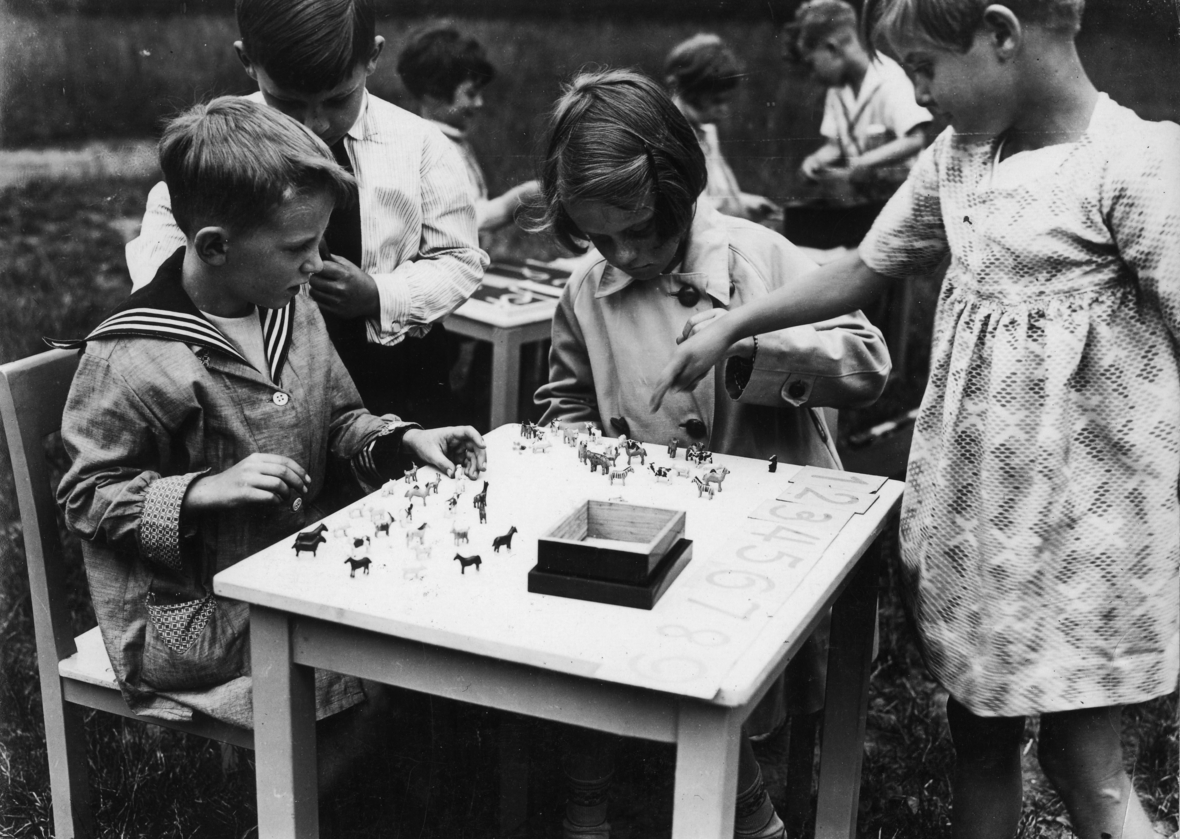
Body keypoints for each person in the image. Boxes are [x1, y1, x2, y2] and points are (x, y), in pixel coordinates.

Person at [654, 0, 1180, 835]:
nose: (918, 93)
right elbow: (865, 267)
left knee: (1084, 762)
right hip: (982, 527)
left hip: (1089, 537)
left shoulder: (1137, 166)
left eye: (926, 70)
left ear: (1002, 35)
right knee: (977, 727)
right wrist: (732, 322)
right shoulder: (959, 158)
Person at [54, 98, 487, 790]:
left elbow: (341, 419)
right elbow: (83, 497)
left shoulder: (290, 306)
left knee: (432, 642)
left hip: (287, 579)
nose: (318, 262)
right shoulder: (133, 353)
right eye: (298, 247)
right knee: (381, 680)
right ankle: (311, 810)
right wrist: (200, 491)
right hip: (192, 625)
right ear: (215, 245)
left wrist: (402, 440)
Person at [531, 69, 891, 839]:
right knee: (597, 646)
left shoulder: (763, 257)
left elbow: (869, 362)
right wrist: (586, 454)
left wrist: (752, 348)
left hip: (768, 536)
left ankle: (749, 805)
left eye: (643, 232)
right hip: (642, 533)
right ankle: (587, 796)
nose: (625, 253)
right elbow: (563, 399)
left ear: (683, 189)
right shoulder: (586, 292)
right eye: (602, 237)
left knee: (738, 686)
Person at [124, 0, 487, 426]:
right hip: (257, 383)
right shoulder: (216, 147)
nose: (315, 124)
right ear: (247, 61)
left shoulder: (420, 145)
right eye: (290, 104)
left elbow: (459, 260)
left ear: (372, 56)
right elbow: (160, 261)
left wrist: (377, 294)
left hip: (394, 375)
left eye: (337, 100)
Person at [396, 22, 541, 234]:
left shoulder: (451, 140)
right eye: (471, 94)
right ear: (433, 93)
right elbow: (465, 222)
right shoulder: (431, 150)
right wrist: (520, 199)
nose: (479, 103)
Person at [786, 0, 931, 210]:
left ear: (832, 49)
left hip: (905, 194)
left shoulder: (887, 78)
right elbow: (834, 145)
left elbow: (914, 139)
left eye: (812, 64)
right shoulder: (837, 90)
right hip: (867, 195)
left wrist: (866, 161)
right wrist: (816, 160)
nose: (813, 75)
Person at [663, 33, 779, 222]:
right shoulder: (672, 135)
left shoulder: (705, 126)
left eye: (726, 101)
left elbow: (716, 191)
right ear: (685, 90)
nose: (724, 110)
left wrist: (744, 202)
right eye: (716, 101)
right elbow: (692, 210)